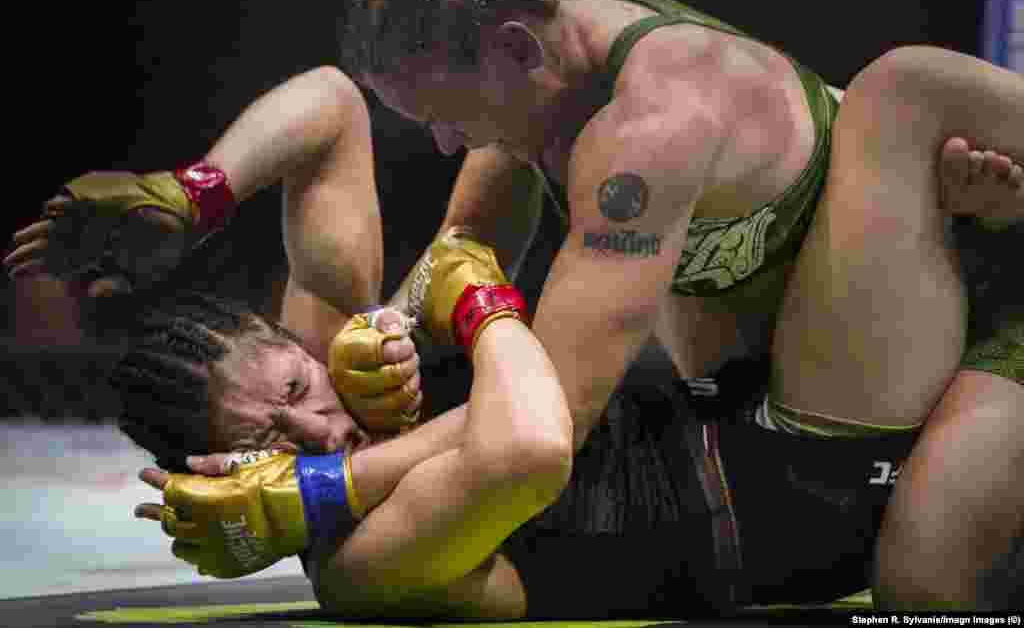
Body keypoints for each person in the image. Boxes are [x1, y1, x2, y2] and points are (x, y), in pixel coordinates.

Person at [335, 0, 1024, 610]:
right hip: (885, 332)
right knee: (930, 592)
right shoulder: (548, 50)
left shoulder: (649, 127)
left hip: (929, 338)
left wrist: (322, 487)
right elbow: (460, 252)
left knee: (904, 89)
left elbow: (550, 419)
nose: (445, 144)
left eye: (443, 116)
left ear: (517, 50)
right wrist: (385, 330)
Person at [113, 235, 912, 619]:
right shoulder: (359, 567)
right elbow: (531, 442)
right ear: (214, 473)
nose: (316, 430)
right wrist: (470, 296)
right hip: (796, 490)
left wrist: (191, 191)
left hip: (754, 384)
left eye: (296, 386)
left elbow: (327, 104)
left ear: (296, 344)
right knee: (902, 99)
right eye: (266, 445)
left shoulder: (359, 372)